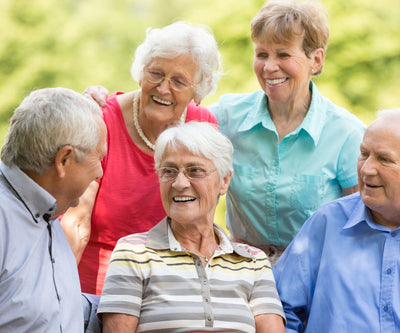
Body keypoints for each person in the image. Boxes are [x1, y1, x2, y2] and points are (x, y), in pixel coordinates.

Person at [85, 1, 366, 265]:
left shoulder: (346, 135)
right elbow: (171, 97)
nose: (269, 67)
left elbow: (360, 228)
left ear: (316, 60)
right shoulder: (225, 118)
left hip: (317, 274)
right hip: (245, 272)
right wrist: (96, 98)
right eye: (262, 54)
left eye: (283, 54)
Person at [61, 21, 222, 295]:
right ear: (140, 73)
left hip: (171, 288)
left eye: (179, 81)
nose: (163, 88)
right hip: (98, 290)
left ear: (199, 90)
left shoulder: (203, 126)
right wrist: (61, 297)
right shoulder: (103, 122)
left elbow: (201, 225)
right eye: (156, 73)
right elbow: (76, 221)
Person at [97, 121, 286, 333]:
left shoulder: (253, 261)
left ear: (224, 181)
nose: (179, 183)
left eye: (194, 171)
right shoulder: (133, 253)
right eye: (168, 171)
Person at [273, 108, 400, 332]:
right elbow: (278, 308)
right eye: (363, 154)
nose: (367, 169)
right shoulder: (328, 222)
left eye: (384, 159)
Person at [0, 88, 106, 332]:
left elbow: (40, 310)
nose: (100, 172)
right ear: (64, 160)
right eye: (98, 157)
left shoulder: (47, 211)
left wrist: (126, 305)